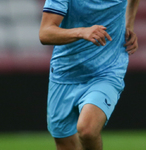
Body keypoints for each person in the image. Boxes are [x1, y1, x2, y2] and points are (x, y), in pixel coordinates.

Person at [39, 0, 139, 149]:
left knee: (87, 130)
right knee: (65, 143)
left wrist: (128, 24)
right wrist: (82, 31)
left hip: (106, 70)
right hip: (65, 73)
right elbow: (45, 33)